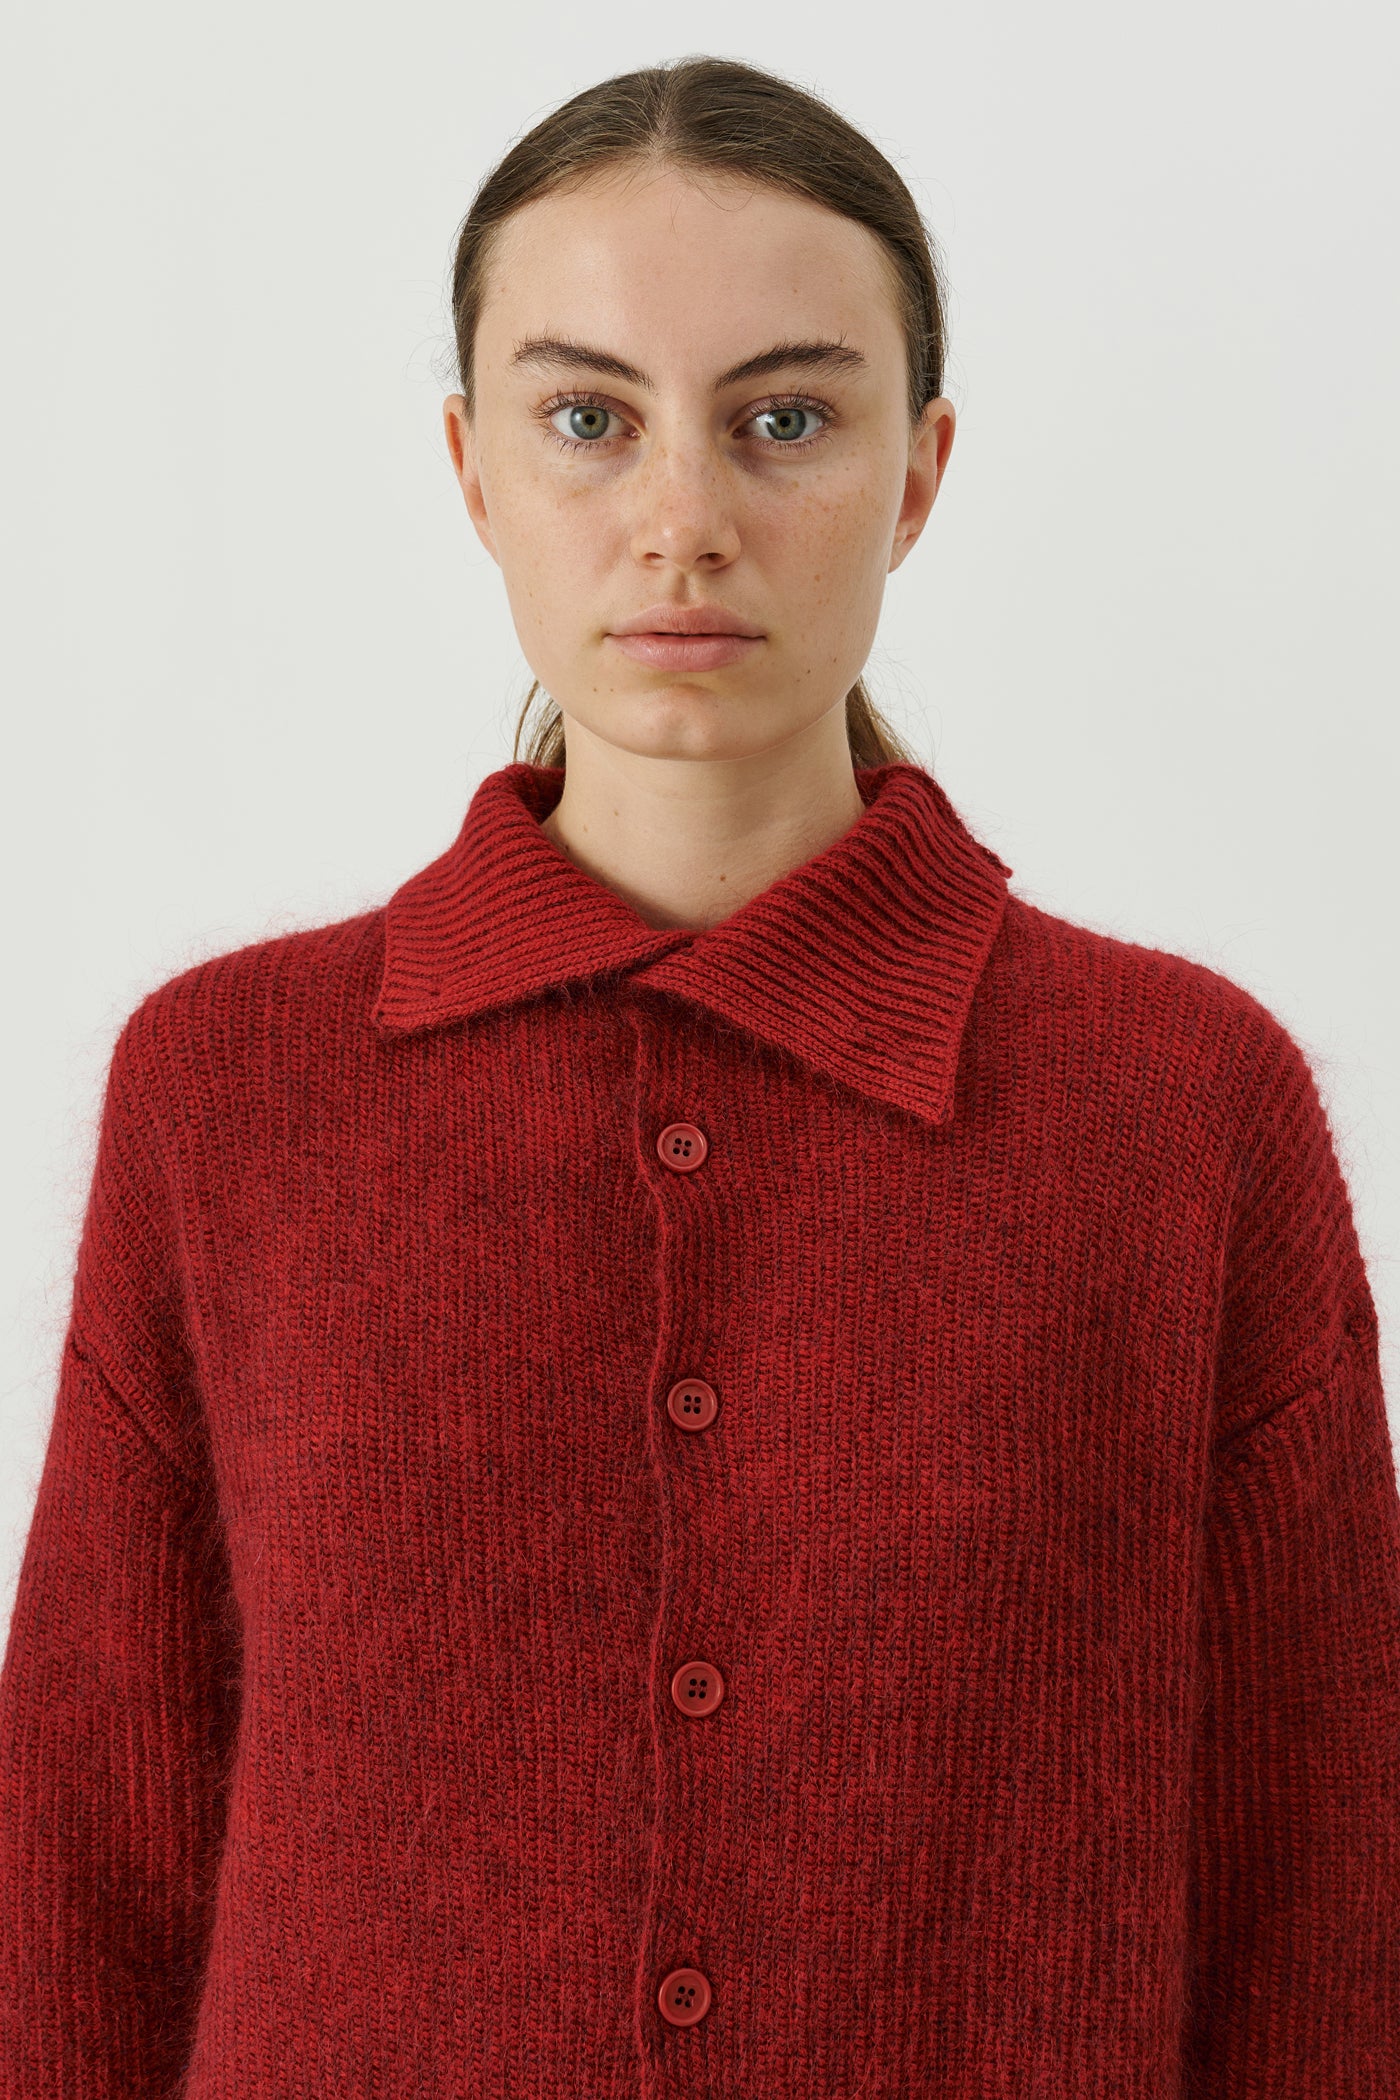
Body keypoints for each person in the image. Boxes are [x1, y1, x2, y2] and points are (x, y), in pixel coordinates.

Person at [2, 52, 1397, 2099]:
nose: (682, 522)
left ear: (917, 472)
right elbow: (79, 1890)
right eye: (589, 419)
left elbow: (1326, 1912)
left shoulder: (1181, 1114)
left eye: (784, 420)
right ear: (474, 469)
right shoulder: (227, 1095)